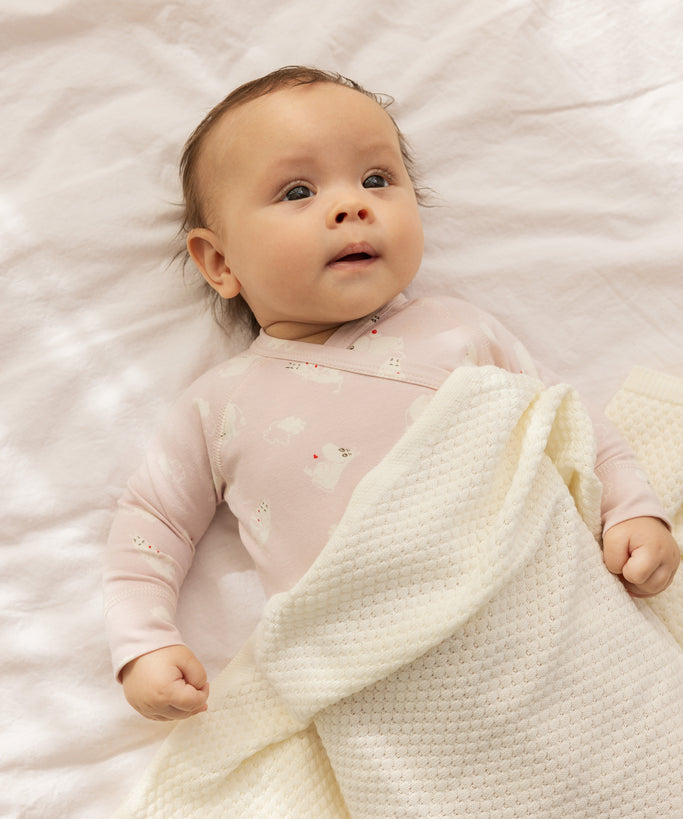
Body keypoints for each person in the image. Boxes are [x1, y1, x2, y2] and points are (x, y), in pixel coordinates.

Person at [104, 66, 679, 722]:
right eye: (297, 191)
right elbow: (153, 521)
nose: (352, 206)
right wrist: (144, 642)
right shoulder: (219, 407)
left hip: (548, 622)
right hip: (379, 679)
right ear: (219, 262)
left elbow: (569, 422)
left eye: (376, 179)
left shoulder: (458, 331)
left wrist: (631, 510)